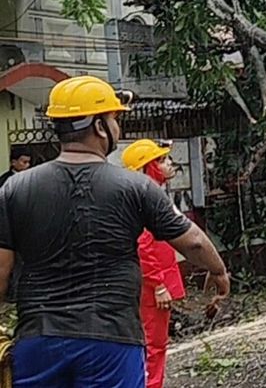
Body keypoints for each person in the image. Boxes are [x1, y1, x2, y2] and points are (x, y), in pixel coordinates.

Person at [0, 76, 229, 388]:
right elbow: (194, 242)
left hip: (38, 338)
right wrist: (219, 273)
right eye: (114, 118)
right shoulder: (134, 187)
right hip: (110, 340)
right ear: (98, 126)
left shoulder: (15, 188)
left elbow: (2, 268)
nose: (117, 127)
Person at [122, 139, 187, 388]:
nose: (169, 163)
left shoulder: (149, 195)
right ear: (146, 168)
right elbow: (143, 246)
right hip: (151, 285)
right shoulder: (147, 198)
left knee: (152, 344)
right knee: (153, 344)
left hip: (151, 282)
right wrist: (158, 284)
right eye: (160, 160)